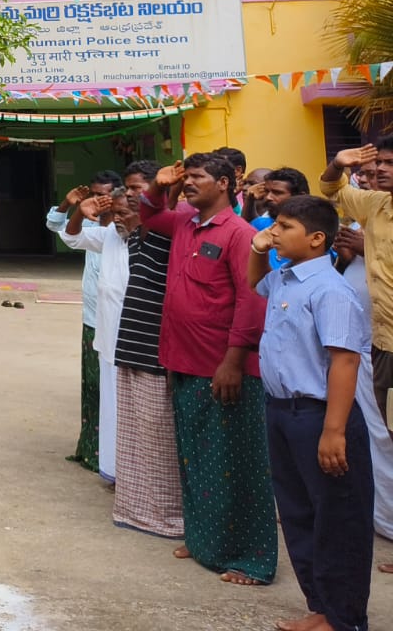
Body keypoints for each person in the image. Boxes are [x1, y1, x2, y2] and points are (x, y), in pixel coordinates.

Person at [142, 155, 275, 586]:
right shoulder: (185, 223)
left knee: (237, 464)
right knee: (195, 459)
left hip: (223, 368)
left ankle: (251, 560)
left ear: (224, 183)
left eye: (197, 178)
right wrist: (160, 186)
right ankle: (204, 543)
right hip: (183, 361)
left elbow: (252, 300)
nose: (188, 185)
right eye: (185, 178)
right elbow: (150, 215)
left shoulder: (239, 234)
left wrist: (234, 360)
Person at [249, 195, 374, 631]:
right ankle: (321, 608)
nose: (274, 231)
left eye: (284, 226)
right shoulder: (286, 277)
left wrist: (334, 430)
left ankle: (345, 618)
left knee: (337, 520)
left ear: (316, 238)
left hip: (320, 416)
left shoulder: (329, 289)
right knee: (299, 513)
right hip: (282, 410)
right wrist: (258, 249)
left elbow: (345, 361)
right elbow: (255, 283)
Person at [108, 163, 185, 540]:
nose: (132, 200)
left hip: (158, 348)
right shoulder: (136, 235)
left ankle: (167, 513)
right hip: (133, 345)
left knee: (160, 436)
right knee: (136, 433)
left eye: (140, 192)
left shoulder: (171, 233)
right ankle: (137, 509)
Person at [48, 170, 122, 474]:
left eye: (105, 193)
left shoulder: (120, 231)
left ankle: (113, 456)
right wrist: (69, 205)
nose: (99, 199)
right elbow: (58, 228)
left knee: (113, 391)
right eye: (94, 193)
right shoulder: (90, 225)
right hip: (92, 317)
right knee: (92, 387)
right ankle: (90, 449)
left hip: (117, 323)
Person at [320, 141, 393, 433]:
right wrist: (338, 164)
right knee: (390, 427)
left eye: (389, 163)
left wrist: (365, 248)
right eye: (380, 163)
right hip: (384, 344)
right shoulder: (376, 203)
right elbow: (332, 190)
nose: (380, 169)